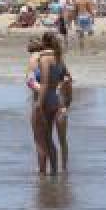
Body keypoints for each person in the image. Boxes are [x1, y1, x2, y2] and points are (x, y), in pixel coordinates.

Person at [32, 31, 69, 175]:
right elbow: (66, 77)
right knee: (49, 138)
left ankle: (50, 173)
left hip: (46, 99)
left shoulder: (45, 59)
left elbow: (45, 82)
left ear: (44, 42)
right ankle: (54, 172)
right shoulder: (59, 58)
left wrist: (39, 104)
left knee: (44, 139)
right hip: (56, 98)